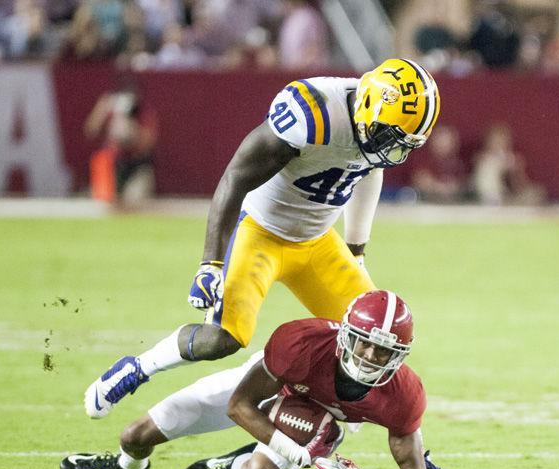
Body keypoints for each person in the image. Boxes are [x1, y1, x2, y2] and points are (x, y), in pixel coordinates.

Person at [83, 58, 441, 422]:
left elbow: (368, 169)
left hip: (317, 241)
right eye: (388, 136)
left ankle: (414, 456)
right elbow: (235, 178)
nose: (390, 148)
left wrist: (356, 250)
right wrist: (211, 263)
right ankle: (139, 367)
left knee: (376, 343)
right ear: (367, 106)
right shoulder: (315, 113)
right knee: (223, 338)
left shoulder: (374, 127)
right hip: (262, 233)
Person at [62, 290, 468, 469]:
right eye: (364, 341)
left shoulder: (403, 392)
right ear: (346, 333)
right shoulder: (301, 343)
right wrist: (299, 455)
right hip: (269, 391)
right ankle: (128, 467)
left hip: (314, 420)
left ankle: (233, 465)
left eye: (384, 350)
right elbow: (240, 404)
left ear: (401, 355)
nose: (369, 354)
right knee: (134, 438)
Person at [84, 80, 158, 208]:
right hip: (114, 164)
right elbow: (90, 130)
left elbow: (147, 144)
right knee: (102, 204)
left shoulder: (144, 113)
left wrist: (131, 128)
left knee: (135, 201)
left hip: (137, 165)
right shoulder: (110, 110)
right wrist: (102, 109)